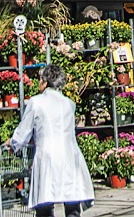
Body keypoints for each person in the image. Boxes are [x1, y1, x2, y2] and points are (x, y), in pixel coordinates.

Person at [9, 64, 94, 217]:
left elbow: (24, 130)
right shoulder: (69, 103)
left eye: (40, 79)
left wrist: (14, 143)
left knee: (45, 200)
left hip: (47, 155)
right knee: (72, 200)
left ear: (46, 81)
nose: (38, 83)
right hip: (70, 154)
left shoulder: (36, 102)